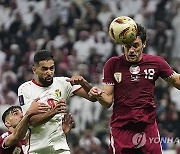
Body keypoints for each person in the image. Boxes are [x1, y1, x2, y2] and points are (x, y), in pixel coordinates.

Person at [88, 23, 180, 154]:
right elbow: (107, 101)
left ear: (144, 44)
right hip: (121, 130)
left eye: (135, 45)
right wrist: (98, 95)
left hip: (147, 128)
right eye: (127, 46)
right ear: (122, 44)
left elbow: (177, 80)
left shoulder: (156, 62)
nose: (131, 50)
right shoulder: (112, 64)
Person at [18, 50, 95, 154]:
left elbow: (93, 97)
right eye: (44, 69)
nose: (49, 72)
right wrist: (53, 112)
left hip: (60, 147)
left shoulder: (64, 83)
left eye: (51, 68)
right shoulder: (25, 89)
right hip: (36, 148)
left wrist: (84, 83)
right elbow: (31, 122)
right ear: (34, 70)